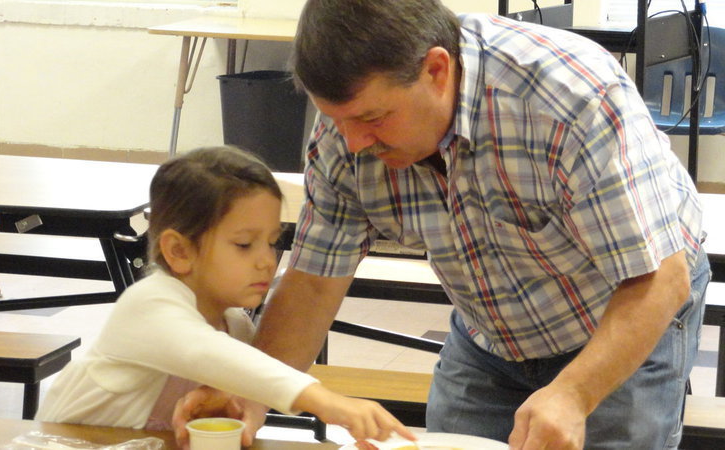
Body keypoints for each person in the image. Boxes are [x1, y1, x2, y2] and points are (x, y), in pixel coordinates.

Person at [172, 1, 711, 449]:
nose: (354, 142)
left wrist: (572, 393)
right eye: (337, 119)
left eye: (372, 118)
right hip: (491, 330)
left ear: (436, 69)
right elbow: (311, 284)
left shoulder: (565, 97)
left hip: (626, 308)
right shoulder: (345, 137)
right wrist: (246, 392)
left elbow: (659, 278)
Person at [35, 146, 414, 446]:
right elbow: (206, 353)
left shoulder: (233, 324)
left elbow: (237, 379)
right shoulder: (149, 304)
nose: (267, 261)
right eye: (245, 244)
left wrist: (229, 403)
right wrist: (328, 402)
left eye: (271, 242)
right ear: (179, 251)